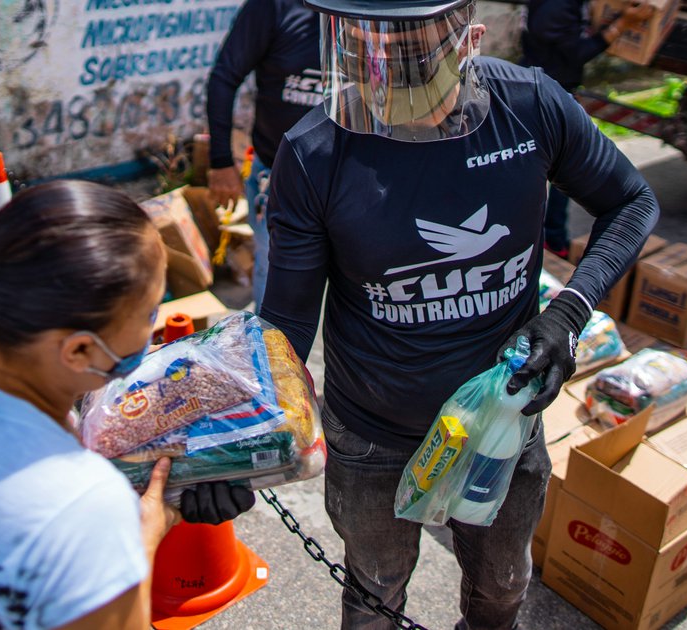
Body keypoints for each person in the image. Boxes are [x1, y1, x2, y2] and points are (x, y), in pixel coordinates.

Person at [259, 1, 659, 628]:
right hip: (372, 436)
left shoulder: (529, 106)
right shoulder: (315, 152)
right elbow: (284, 326)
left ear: (469, 42)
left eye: (414, 71)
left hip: (502, 423)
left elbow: (631, 202)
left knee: (501, 589)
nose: (389, 95)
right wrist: (238, 437)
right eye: (370, 65)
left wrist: (567, 314)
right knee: (374, 593)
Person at [0, 180, 253, 628]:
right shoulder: (88, 508)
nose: (154, 328)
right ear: (80, 351)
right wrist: (143, 539)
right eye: (148, 313)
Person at [207, 0, 322, 311]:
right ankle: (268, 357)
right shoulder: (274, 6)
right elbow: (224, 77)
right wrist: (220, 162)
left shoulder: (368, 9)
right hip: (276, 178)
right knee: (273, 276)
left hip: (350, 180)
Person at [520, 0, 655, 257]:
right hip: (546, 92)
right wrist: (622, 24)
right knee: (561, 164)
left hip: (552, 86)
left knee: (555, 163)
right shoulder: (558, 6)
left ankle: (549, 238)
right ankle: (549, 239)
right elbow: (577, 53)